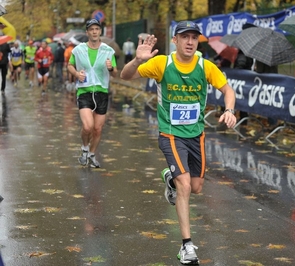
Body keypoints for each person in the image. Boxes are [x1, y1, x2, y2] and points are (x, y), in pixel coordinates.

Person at [120, 20, 236, 265]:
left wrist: (230, 109)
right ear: (175, 40)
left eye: (194, 37)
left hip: (196, 134)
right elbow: (125, 76)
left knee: (196, 187)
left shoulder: (206, 66)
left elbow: (228, 90)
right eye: (185, 37)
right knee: (185, 186)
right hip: (171, 133)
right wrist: (137, 60)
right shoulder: (162, 63)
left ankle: (170, 179)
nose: (190, 42)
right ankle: (187, 246)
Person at [67, 18, 117, 168]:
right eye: (91, 29)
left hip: (101, 92)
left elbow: (115, 73)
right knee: (88, 126)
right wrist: (76, 74)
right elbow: (69, 65)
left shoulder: (108, 51)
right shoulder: (79, 49)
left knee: (97, 129)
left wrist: (110, 68)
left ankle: (92, 154)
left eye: (97, 29)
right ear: (87, 32)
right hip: (85, 91)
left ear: (100, 31)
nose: (94, 32)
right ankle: (84, 148)